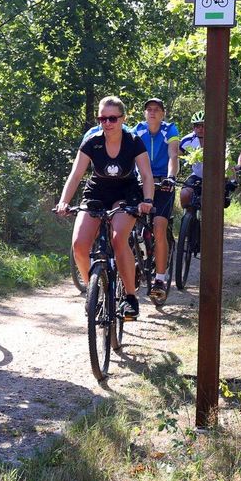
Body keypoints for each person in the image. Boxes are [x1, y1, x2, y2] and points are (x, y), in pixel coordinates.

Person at [54, 96, 154, 318]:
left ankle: (130, 297)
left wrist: (147, 201)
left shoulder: (133, 141)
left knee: (118, 239)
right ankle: (94, 290)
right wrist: (64, 201)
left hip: (125, 193)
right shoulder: (92, 142)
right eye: (102, 119)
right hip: (97, 192)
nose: (107, 123)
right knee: (79, 245)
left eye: (112, 118)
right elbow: (76, 175)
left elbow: (146, 175)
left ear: (123, 119)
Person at [132, 97, 179, 302]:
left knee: (159, 228)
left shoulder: (170, 129)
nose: (152, 112)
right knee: (127, 225)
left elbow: (173, 155)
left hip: (162, 183)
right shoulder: (137, 130)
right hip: (141, 181)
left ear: (163, 114)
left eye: (156, 109)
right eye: (149, 109)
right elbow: (129, 156)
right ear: (145, 113)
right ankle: (133, 263)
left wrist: (171, 177)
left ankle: (159, 279)